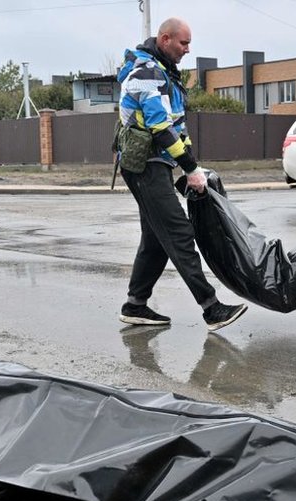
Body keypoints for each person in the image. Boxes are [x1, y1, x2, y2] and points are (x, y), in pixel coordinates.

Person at [115, 17, 247, 331]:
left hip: (155, 163)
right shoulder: (147, 74)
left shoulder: (165, 73)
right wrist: (189, 168)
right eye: (183, 43)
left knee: (156, 239)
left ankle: (135, 305)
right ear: (165, 39)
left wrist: (192, 167)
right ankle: (211, 308)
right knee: (178, 232)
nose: (187, 49)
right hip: (144, 166)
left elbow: (177, 127)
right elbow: (160, 127)